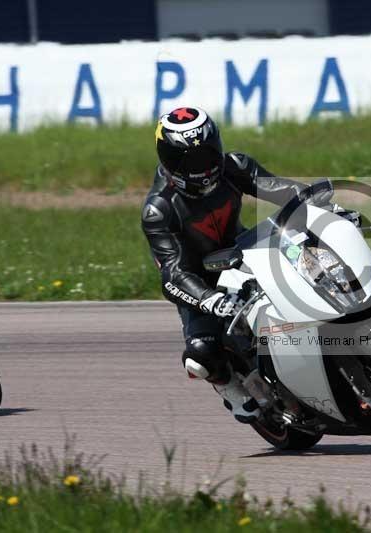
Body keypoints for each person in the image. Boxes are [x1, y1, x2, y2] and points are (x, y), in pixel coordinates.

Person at [141, 106, 315, 423]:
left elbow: (283, 190)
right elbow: (172, 274)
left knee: (312, 263)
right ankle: (234, 392)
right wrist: (209, 300)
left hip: (244, 250)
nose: (203, 166)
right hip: (200, 283)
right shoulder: (159, 210)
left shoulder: (234, 166)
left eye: (207, 154)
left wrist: (316, 203)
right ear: (169, 160)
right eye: (190, 161)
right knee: (200, 356)